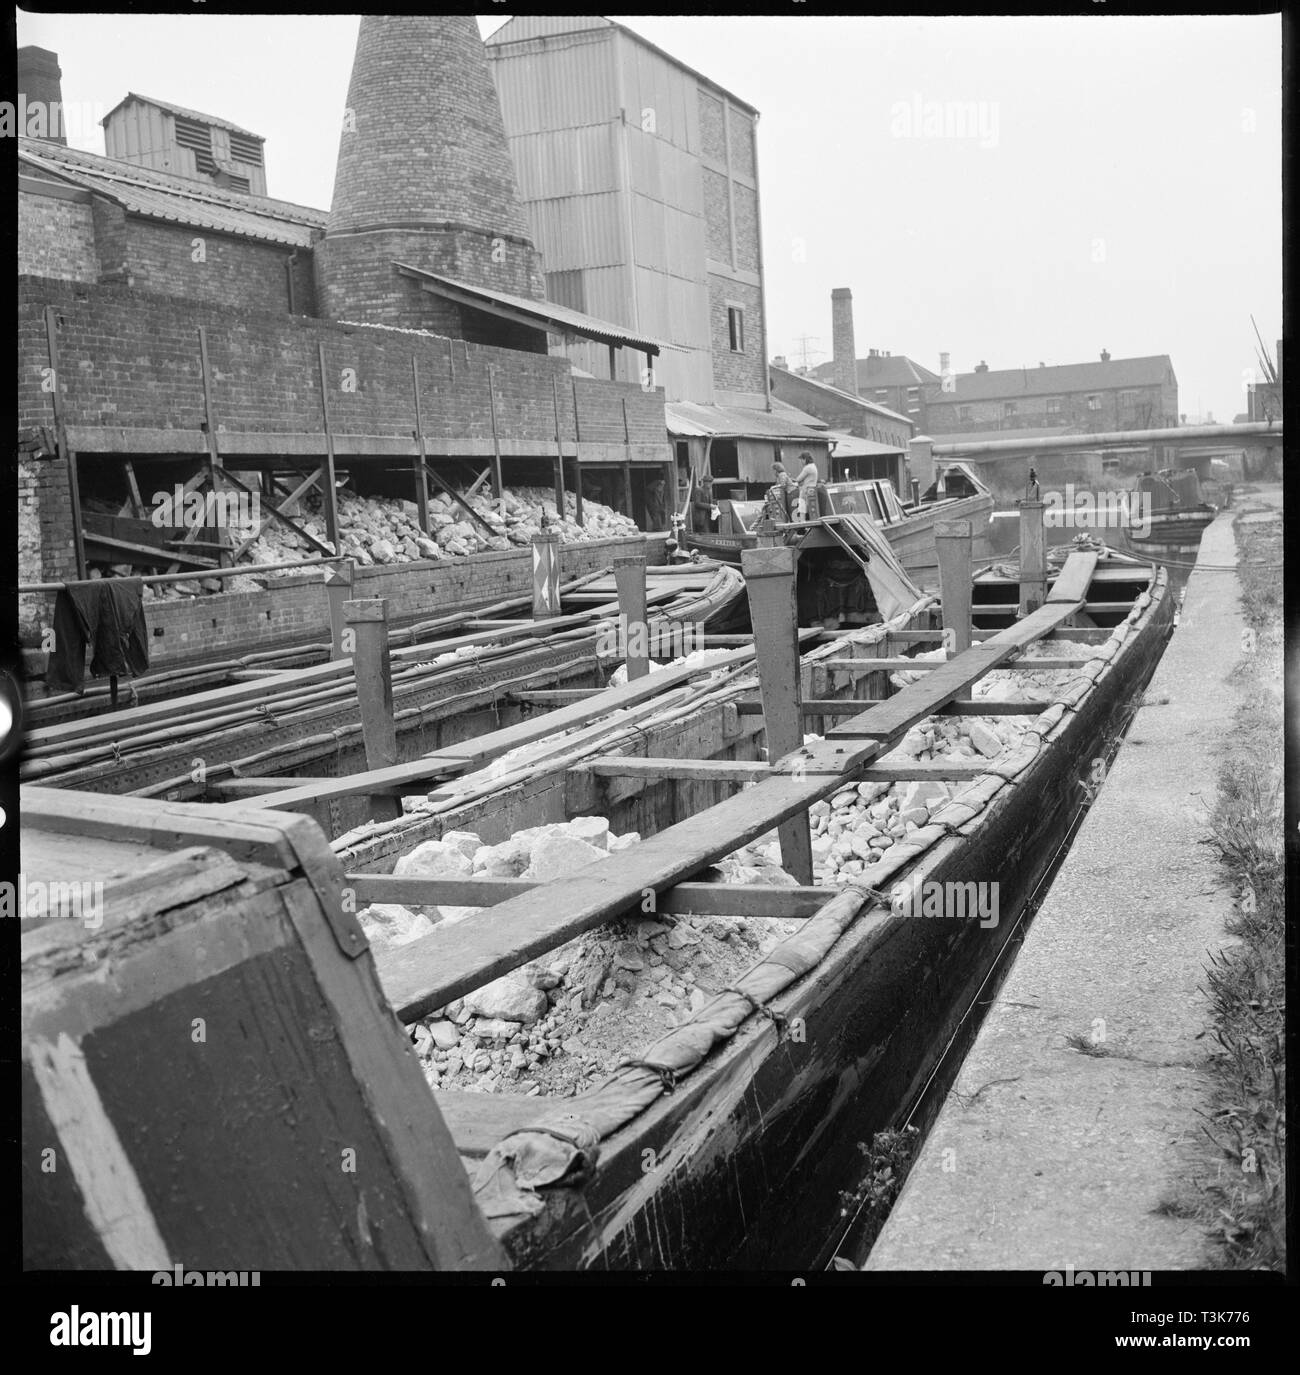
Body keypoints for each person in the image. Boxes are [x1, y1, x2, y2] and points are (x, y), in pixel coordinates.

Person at [793, 452, 820, 521]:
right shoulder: (813, 466)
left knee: (802, 508)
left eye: (801, 460)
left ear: (804, 459)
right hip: (812, 489)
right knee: (812, 509)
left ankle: (803, 523)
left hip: (805, 490)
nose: (801, 462)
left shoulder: (807, 468)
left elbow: (798, 479)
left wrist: (794, 480)